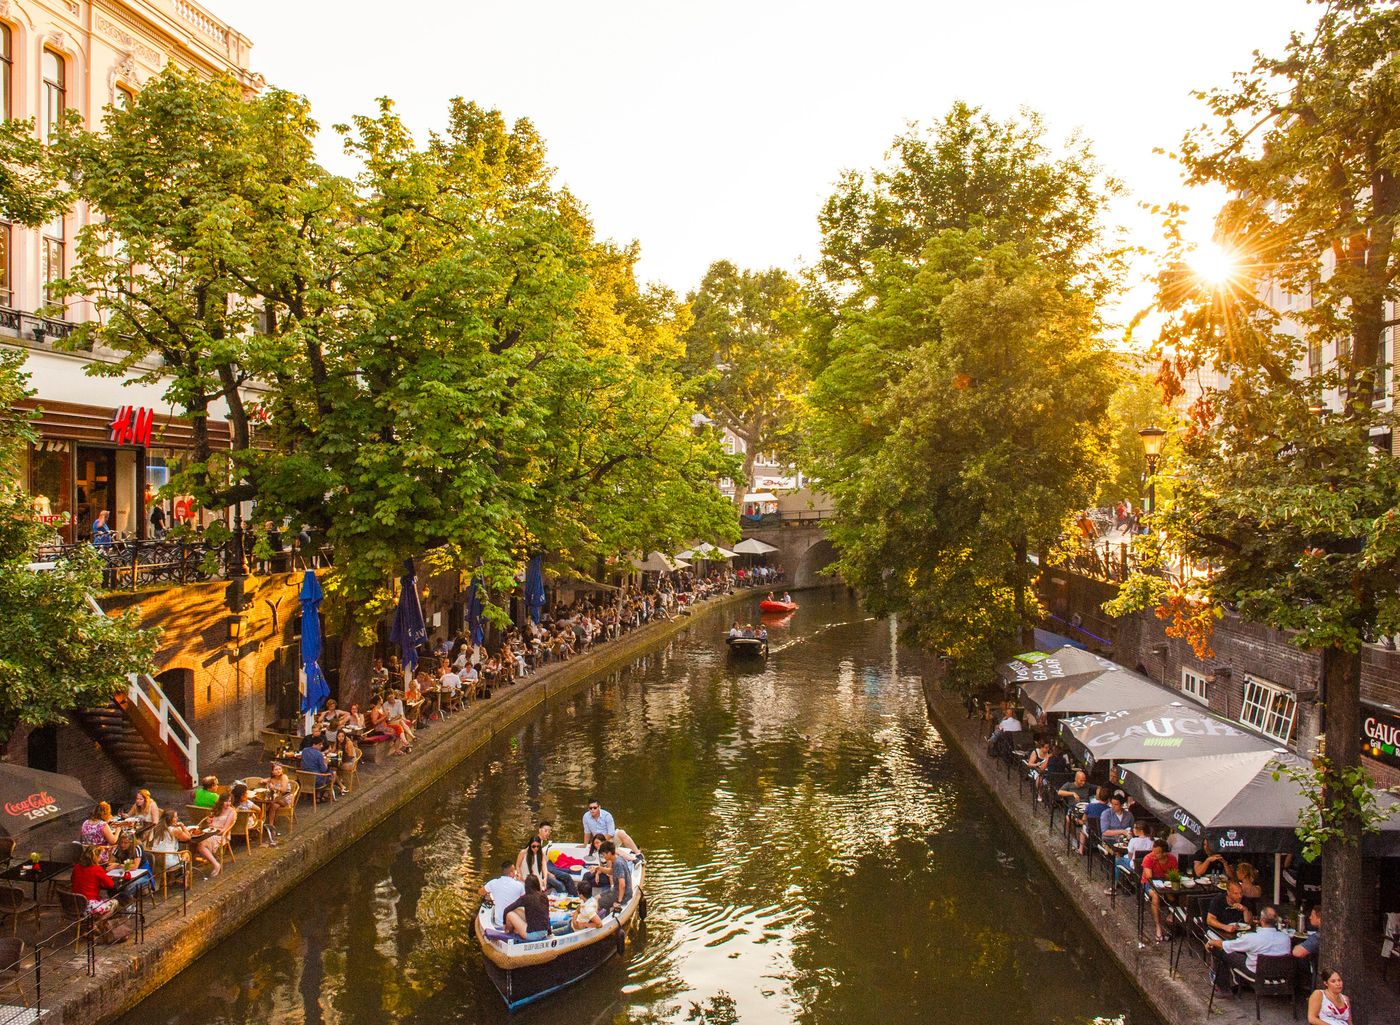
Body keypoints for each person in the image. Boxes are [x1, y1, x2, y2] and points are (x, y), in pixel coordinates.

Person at [1207, 905, 1291, 992]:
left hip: (1256, 973)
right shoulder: (1286, 938)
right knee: (1247, 953)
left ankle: (1223, 988)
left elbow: (1228, 945)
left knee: (1221, 951)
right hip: (1280, 973)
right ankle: (1237, 979)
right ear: (1276, 921)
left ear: (1261, 920)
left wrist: (1211, 942)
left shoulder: (1252, 938)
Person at [69, 846, 120, 926]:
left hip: (75, 904)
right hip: (89, 905)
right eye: (99, 856)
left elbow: (72, 880)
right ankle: (96, 924)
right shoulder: (97, 869)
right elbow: (110, 885)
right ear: (95, 857)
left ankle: (91, 924)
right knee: (115, 902)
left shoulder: (77, 867)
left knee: (101, 900)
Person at [1140, 838, 1179, 943]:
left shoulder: (1172, 859)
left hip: (1166, 884)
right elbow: (1149, 878)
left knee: (1177, 894)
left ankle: (1173, 914)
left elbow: (1174, 875)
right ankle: (1158, 926)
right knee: (1156, 895)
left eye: (1157, 853)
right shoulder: (1148, 858)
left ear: (1165, 853)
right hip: (1150, 884)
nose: (1154, 854)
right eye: (1153, 851)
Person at [502, 875, 552, 941]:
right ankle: (515, 929)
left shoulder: (525, 898)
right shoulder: (544, 896)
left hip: (533, 935)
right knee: (518, 910)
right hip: (544, 931)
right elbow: (546, 916)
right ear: (537, 884)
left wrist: (504, 923)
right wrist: (549, 932)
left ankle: (508, 932)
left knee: (510, 914)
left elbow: (506, 910)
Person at [592, 841, 634, 914]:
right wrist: (598, 868)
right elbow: (612, 871)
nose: (603, 857)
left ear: (609, 853)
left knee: (597, 903)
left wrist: (619, 901)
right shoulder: (618, 858)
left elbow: (622, 884)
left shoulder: (618, 863)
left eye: (604, 854)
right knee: (596, 897)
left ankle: (594, 921)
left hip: (623, 895)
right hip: (616, 890)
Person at [480, 862, 525, 929]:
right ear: (512, 873)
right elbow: (526, 898)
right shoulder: (519, 885)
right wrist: (521, 880)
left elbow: (480, 892)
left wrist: (488, 895)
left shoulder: (493, 883)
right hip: (514, 923)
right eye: (514, 870)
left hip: (498, 922)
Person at [231, 782, 276, 848]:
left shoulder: (232, 802)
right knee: (254, 814)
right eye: (246, 793)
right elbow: (259, 809)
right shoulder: (247, 803)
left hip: (234, 823)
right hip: (246, 824)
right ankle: (258, 826)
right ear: (243, 795)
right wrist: (257, 817)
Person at [203, 795, 236, 875]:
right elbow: (210, 823)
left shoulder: (232, 812)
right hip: (210, 831)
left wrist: (214, 831)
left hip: (221, 835)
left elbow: (225, 829)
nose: (228, 803)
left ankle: (216, 864)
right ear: (221, 801)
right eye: (226, 801)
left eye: (230, 801)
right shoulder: (217, 809)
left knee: (201, 844)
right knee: (194, 840)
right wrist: (209, 821)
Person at [300, 736, 336, 801]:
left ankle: (318, 795)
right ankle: (325, 794)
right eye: (320, 744)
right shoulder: (319, 754)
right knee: (333, 773)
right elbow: (324, 770)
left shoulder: (304, 750)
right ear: (314, 744)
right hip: (316, 780)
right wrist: (326, 763)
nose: (321, 746)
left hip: (304, 778)